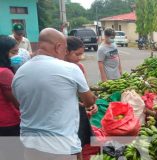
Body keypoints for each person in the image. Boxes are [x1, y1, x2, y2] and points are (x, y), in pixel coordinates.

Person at [12, 28, 96, 160]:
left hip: (30, 146)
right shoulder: (71, 69)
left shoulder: (19, 73)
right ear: (58, 47)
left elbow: (22, 104)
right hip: (61, 147)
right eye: (65, 49)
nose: (65, 53)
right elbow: (89, 101)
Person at [66, 36, 98, 149]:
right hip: (63, 118)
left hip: (76, 111)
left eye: (81, 54)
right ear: (66, 51)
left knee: (79, 144)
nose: (80, 58)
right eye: (77, 54)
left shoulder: (79, 67)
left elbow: (85, 92)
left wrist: (90, 104)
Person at [0, 35, 20, 136]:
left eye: (17, 52)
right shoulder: (4, 72)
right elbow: (17, 101)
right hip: (9, 123)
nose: (17, 55)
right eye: (13, 52)